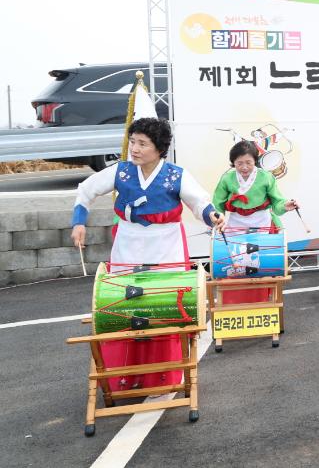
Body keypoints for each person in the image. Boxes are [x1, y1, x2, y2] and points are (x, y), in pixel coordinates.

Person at [70, 117, 224, 390]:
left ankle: (164, 374)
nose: (135, 148)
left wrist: (213, 216)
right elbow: (86, 190)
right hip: (128, 243)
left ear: (159, 147)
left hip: (165, 246)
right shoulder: (122, 172)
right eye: (133, 142)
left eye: (142, 143)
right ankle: (125, 374)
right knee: (125, 305)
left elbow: (200, 203)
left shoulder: (176, 175)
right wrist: (79, 222)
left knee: (161, 307)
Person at [212, 139, 298, 303]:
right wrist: (218, 219)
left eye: (248, 163)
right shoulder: (227, 178)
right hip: (236, 224)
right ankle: (235, 303)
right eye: (239, 163)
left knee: (259, 265)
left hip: (262, 223)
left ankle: (263, 302)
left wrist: (286, 205)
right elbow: (217, 204)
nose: (244, 167)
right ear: (233, 163)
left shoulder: (266, 177)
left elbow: (277, 202)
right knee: (237, 264)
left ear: (255, 161)